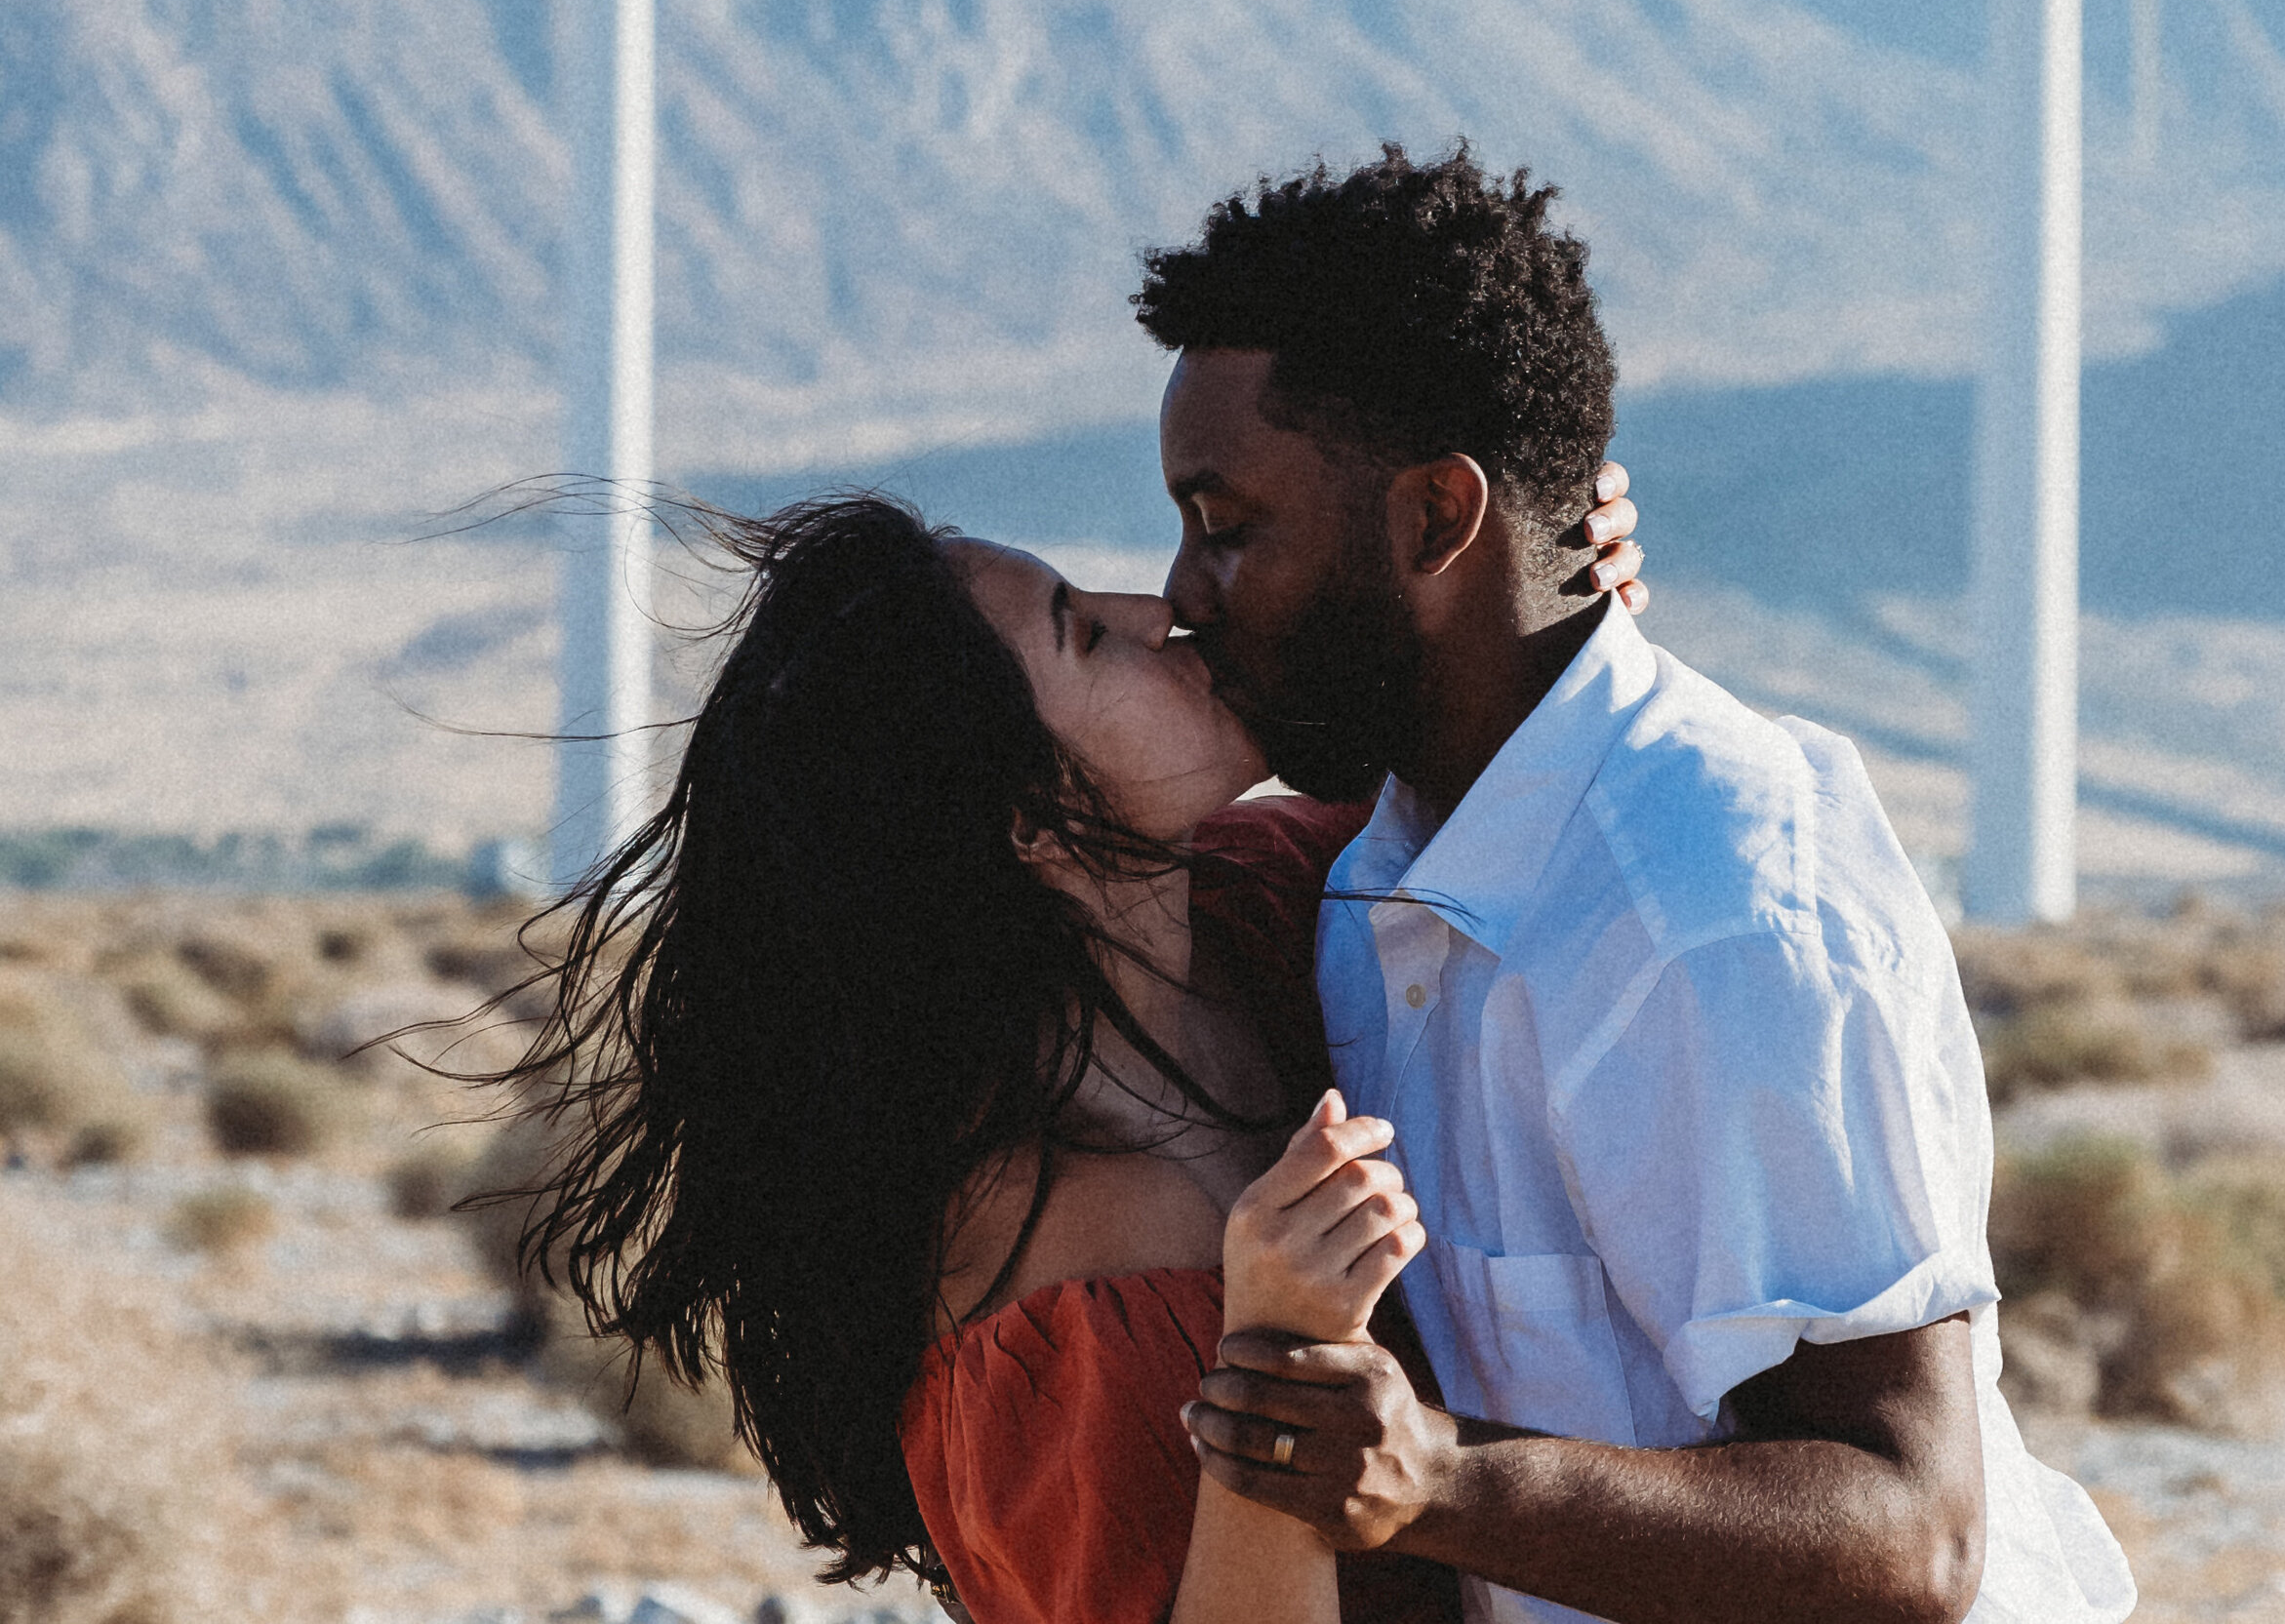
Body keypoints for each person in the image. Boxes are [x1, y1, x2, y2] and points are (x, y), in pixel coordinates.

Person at [1149, 143, 2135, 1624]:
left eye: (1229, 530)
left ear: (1433, 521)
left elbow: (1910, 1533)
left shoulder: (1720, 908)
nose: (1177, 593)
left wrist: (1435, 1483)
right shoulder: (1383, 876)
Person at [516, 456, 1649, 1624]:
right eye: (1082, 636)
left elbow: (1488, 794)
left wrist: (1533, 610)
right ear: (1026, 818)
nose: (1152, 611)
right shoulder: (1048, 1271)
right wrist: (1278, 1362)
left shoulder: (1264, 909)